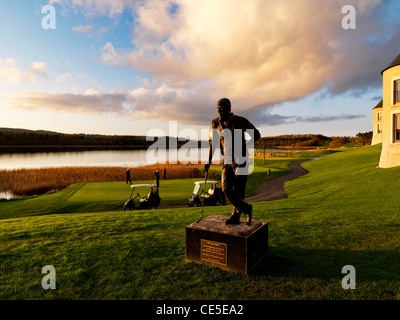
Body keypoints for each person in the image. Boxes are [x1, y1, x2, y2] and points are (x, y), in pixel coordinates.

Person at [204, 98, 261, 225]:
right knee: (225, 188)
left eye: (221, 108)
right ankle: (246, 208)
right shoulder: (215, 123)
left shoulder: (240, 121)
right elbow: (212, 143)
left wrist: (244, 144)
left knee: (239, 190)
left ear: (228, 108)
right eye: (217, 108)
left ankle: (235, 216)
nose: (219, 111)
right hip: (227, 160)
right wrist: (208, 160)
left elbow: (256, 134)